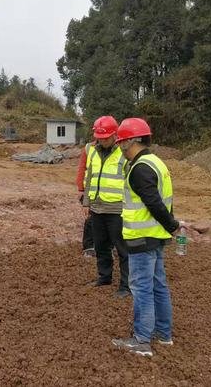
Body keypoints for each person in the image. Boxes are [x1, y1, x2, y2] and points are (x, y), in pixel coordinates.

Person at [111, 117, 185, 357]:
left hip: (141, 238)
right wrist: (171, 227)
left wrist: (173, 226)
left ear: (131, 141)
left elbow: (153, 202)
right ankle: (164, 335)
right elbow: (163, 201)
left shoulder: (139, 169)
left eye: (121, 142)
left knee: (141, 288)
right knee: (158, 286)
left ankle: (141, 340)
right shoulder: (156, 162)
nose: (120, 147)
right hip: (155, 237)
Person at [83, 116, 130, 298]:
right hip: (97, 207)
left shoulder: (124, 154)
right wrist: (87, 202)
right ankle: (104, 277)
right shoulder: (93, 151)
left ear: (115, 135)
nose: (102, 141)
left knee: (122, 248)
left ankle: (126, 285)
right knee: (100, 245)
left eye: (105, 138)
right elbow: (90, 177)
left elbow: (130, 181)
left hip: (117, 209)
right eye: (99, 137)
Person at [76, 141, 95, 257]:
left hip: (109, 193)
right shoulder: (89, 148)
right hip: (90, 191)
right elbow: (82, 168)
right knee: (91, 219)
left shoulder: (118, 149)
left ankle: (108, 245)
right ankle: (89, 246)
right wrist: (81, 189)